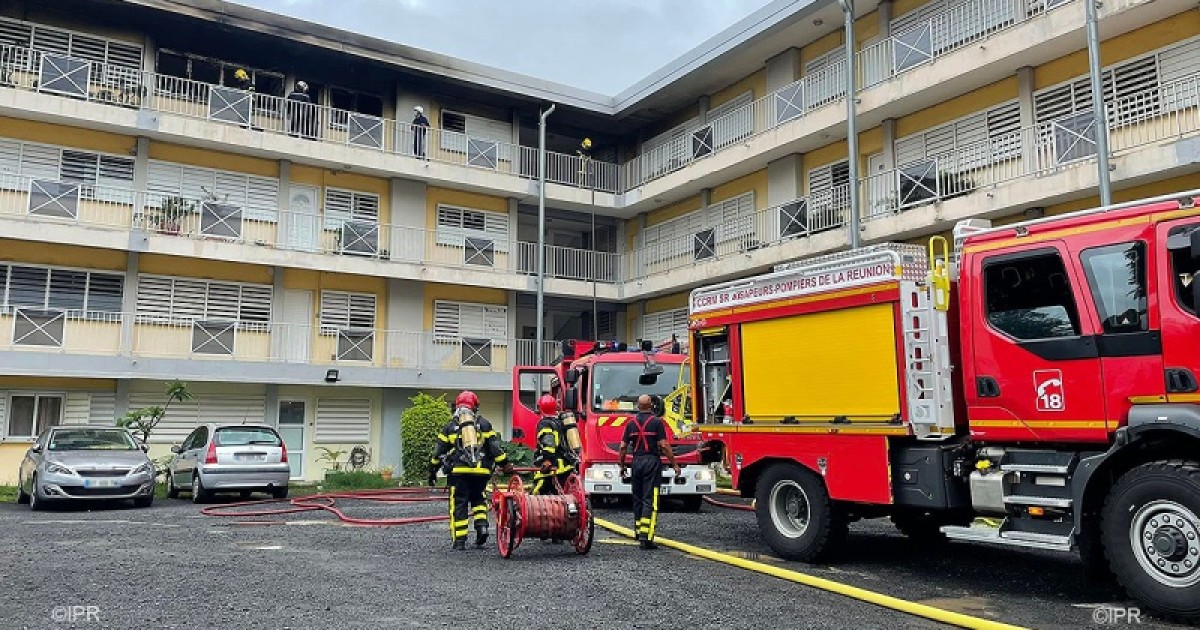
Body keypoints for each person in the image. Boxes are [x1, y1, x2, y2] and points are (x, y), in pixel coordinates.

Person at [429, 390, 511, 550]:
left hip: (459, 472)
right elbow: (495, 449)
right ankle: (482, 527)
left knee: (459, 503)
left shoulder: (450, 427)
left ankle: (460, 540)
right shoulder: (485, 424)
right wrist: (505, 464)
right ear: (475, 407)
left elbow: (437, 452)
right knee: (479, 498)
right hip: (481, 472)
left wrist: (432, 471)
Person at [618, 394, 680, 550]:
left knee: (637, 498)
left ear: (638, 406)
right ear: (652, 405)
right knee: (650, 500)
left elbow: (623, 447)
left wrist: (622, 465)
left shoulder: (631, 424)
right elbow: (664, 445)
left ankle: (639, 532)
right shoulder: (657, 423)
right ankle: (647, 538)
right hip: (651, 461)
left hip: (636, 461)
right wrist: (674, 464)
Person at [531, 394, 577, 496]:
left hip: (552, 468)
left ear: (541, 408)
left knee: (536, 495)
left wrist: (547, 460)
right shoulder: (560, 422)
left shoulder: (545, 423)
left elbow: (548, 442)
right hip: (565, 466)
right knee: (561, 494)